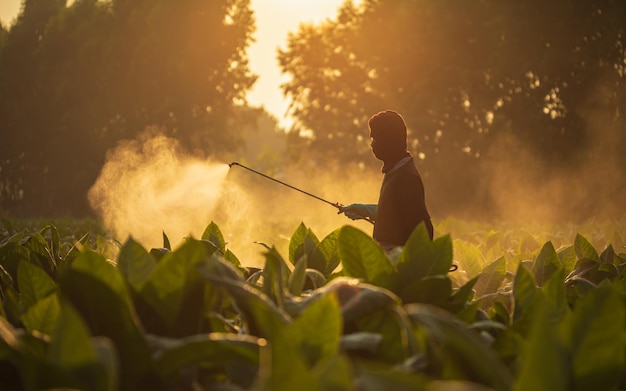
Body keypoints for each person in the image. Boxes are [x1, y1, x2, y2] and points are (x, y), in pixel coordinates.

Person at [339, 110, 433, 251]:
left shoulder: (405, 177)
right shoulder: (396, 172)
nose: (372, 145)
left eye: (375, 139)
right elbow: (398, 213)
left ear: (389, 140)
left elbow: (421, 228)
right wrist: (366, 210)